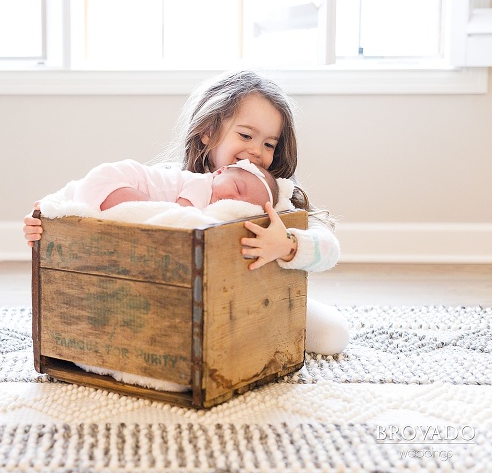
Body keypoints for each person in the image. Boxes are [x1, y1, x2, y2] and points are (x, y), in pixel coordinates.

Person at [23, 70, 349, 356]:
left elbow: (328, 247)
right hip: (178, 299)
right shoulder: (170, 181)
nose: (256, 151)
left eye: (268, 144)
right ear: (208, 131)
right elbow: (85, 193)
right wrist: (47, 218)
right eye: (246, 135)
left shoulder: (270, 198)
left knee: (332, 335)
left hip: (255, 300)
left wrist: (289, 245)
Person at [72, 158, 278, 211]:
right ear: (219, 172)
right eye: (237, 189)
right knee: (151, 213)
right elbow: (181, 214)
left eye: (244, 206)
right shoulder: (201, 184)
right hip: (116, 180)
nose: (234, 200)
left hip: (102, 182)